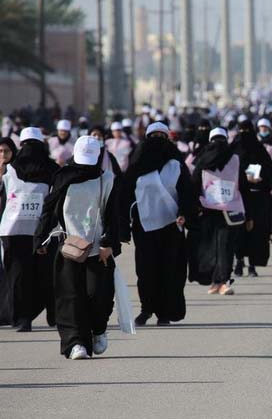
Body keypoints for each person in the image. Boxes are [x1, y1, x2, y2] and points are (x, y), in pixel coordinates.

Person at [34, 136, 119, 359]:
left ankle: (98, 329)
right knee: (70, 296)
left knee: (97, 294)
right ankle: (75, 343)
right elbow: (49, 208)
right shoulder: (62, 178)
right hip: (68, 245)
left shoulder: (107, 179)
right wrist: (40, 238)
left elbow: (113, 214)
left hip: (98, 248)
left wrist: (109, 243)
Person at [120, 122, 195, 326]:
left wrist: (184, 213)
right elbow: (125, 193)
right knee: (146, 270)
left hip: (172, 225)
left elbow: (187, 193)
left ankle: (165, 312)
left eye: (162, 137)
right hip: (143, 227)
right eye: (154, 137)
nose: (158, 142)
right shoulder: (136, 165)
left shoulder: (176, 165)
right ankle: (147, 309)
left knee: (170, 269)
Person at [0, 128, 58, 331]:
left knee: (18, 277)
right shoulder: (52, 169)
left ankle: (22, 317)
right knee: (44, 275)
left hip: (13, 231)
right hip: (42, 232)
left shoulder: (10, 169)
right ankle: (48, 314)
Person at [188, 127, 248, 294]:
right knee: (221, 246)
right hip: (223, 208)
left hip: (213, 208)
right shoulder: (234, 158)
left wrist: (192, 206)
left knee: (219, 245)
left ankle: (222, 281)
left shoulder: (202, 159)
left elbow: (193, 184)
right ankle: (217, 281)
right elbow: (244, 185)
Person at [232, 120, 272, 276]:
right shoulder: (234, 149)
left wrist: (267, 183)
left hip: (258, 196)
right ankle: (238, 262)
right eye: (242, 130)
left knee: (256, 232)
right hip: (239, 197)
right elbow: (228, 171)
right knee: (238, 231)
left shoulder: (259, 150)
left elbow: (269, 169)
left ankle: (252, 264)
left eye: (247, 130)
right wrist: (244, 179)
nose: (244, 134)